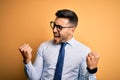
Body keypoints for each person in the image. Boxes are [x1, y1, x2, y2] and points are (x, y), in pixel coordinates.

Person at [19, 9, 100, 80]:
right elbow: (34, 78)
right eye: (54, 25)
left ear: (72, 30)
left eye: (59, 27)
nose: (54, 30)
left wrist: (91, 70)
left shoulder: (84, 51)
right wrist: (27, 61)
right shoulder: (44, 47)